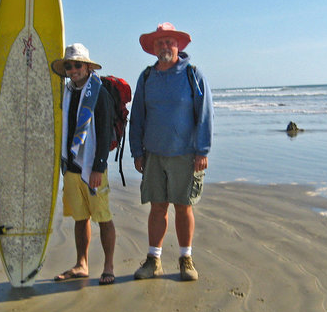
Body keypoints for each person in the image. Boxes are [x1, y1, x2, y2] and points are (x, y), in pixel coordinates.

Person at [129, 23, 214, 281]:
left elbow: (205, 114)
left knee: (183, 207)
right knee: (157, 208)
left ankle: (185, 259)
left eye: (169, 42)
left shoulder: (193, 75)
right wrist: (137, 152)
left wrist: (203, 150)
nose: (165, 46)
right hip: (154, 154)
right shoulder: (146, 78)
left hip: (186, 154)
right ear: (153, 48)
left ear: (178, 46)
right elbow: (138, 116)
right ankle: (153, 260)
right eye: (160, 43)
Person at [50, 43, 117, 285]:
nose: (73, 69)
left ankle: (108, 267)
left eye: (78, 64)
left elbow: (105, 129)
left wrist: (99, 166)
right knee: (80, 218)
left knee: (103, 217)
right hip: (71, 166)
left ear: (87, 66)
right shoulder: (67, 92)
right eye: (69, 65)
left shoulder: (99, 93)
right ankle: (82, 264)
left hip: (92, 167)